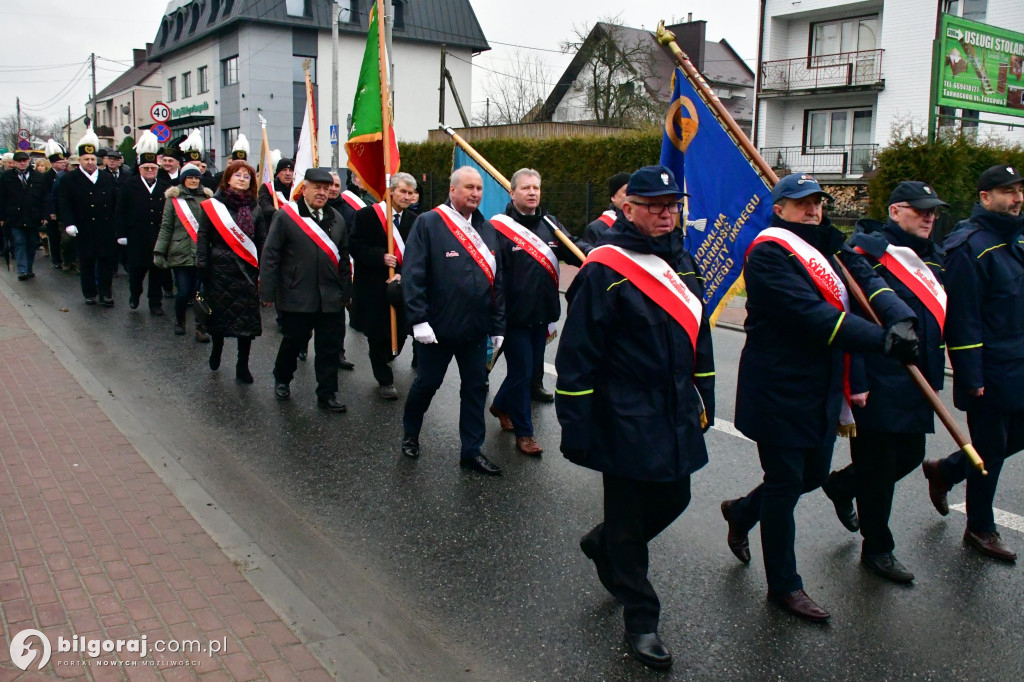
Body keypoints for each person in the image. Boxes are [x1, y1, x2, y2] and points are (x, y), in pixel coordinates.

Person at [720, 172, 917, 622]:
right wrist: (881, 341)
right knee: (787, 483)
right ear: (779, 208)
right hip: (779, 388)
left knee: (811, 476)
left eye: (817, 202)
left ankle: (742, 510)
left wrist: (899, 317)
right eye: (802, 203)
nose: (812, 210)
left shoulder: (829, 247)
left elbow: (868, 280)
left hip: (825, 386)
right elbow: (809, 315)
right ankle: (785, 586)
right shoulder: (769, 253)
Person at [556, 165, 714, 670]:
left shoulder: (683, 261)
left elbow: (700, 335)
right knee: (628, 519)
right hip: (623, 412)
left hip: (674, 407)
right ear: (628, 210)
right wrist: (576, 424)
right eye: (655, 206)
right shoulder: (604, 268)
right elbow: (577, 355)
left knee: (677, 494)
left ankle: (604, 545)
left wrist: (703, 395)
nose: (667, 213)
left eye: (673, 205)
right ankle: (641, 619)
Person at [819, 181, 949, 583]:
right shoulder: (867, 254)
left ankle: (842, 485)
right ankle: (878, 549)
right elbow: (854, 318)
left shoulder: (932, 257)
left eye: (933, 211)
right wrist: (855, 378)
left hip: (916, 376)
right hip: (877, 377)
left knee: (910, 455)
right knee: (879, 467)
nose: (929, 217)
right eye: (920, 210)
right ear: (895, 211)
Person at [922, 164, 1024, 562]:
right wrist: (971, 377)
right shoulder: (970, 246)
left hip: (1018, 361)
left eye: (1019, 189)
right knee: (990, 450)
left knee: (1005, 442)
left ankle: (946, 470)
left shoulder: (1015, 239)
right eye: (1007, 191)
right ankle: (980, 528)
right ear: (985, 197)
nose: (1016, 198)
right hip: (992, 368)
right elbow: (963, 320)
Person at [401, 166, 505, 475]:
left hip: (475, 330)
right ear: (453, 190)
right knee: (427, 384)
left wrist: (498, 325)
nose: (475, 193)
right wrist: (419, 320)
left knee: (476, 388)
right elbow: (413, 275)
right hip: (437, 330)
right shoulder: (429, 224)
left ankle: (471, 451)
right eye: (469, 187)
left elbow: (496, 282)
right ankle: (410, 433)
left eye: (479, 189)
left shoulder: (486, 230)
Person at [489, 168, 588, 455]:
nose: (532, 192)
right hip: (514, 317)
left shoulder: (550, 223)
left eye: (536, 188)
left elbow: (573, 248)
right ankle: (525, 433)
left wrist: (595, 255)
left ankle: (499, 405)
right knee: (521, 373)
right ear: (512, 192)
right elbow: (493, 275)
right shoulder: (499, 229)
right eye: (525, 188)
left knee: (529, 372)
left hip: (542, 314)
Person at [260, 169, 351, 412]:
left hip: (330, 296)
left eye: (327, 188)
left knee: (329, 347)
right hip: (297, 293)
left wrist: (346, 293)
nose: (323, 192)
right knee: (293, 341)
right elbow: (271, 255)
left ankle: (327, 393)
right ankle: (282, 378)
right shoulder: (286, 216)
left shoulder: (337, 219)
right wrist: (267, 292)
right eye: (317, 188)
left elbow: (343, 259)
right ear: (305, 189)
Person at [349, 172, 419, 399]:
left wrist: (402, 274)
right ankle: (384, 380)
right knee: (378, 334)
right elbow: (355, 246)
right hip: (373, 287)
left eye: (410, 193)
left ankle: (387, 357)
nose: (407, 197)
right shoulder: (367, 216)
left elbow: (418, 253)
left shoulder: (414, 220)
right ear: (391, 191)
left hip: (401, 286)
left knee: (399, 334)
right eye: (402, 191)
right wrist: (380, 256)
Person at [196, 159, 266, 383]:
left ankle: (242, 365)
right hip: (219, 269)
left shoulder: (255, 208)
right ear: (228, 178)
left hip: (247, 270)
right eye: (238, 175)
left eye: (247, 176)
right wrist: (201, 263)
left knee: (246, 322)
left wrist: (263, 267)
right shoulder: (213, 205)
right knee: (219, 317)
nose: (242, 179)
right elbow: (203, 236)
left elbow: (261, 240)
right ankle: (217, 349)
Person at [153, 147, 212, 340]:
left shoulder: (208, 199)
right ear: (183, 179)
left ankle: (200, 327)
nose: (194, 180)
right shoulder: (174, 199)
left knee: (201, 293)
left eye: (197, 177)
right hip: (180, 252)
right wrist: (159, 252)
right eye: (190, 177)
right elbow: (166, 227)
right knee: (184, 292)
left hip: (202, 252)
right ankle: (180, 320)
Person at [58, 127, 119, 305]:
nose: (90, 162)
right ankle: (89, 293)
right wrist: (69, 223)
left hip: (105, 227)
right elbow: (64, 203)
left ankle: (106, 293)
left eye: (93, 159)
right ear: (80, 160)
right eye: (86, 159)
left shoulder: (106, 178)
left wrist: (117, 225)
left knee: (106, 263)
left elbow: (116, 202)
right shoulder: (70, 179)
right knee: (87, 263)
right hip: (83, 227)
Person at [116, 139, 173, 315]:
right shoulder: (129, 185)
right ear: (140, 169)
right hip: (136, 236)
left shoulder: (165, 187)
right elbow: (120, 211)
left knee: (157, 271)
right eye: (146, 168)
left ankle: (155, 303)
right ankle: (135, 294)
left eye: (153, 168)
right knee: (137, 271)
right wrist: (121, 233)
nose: (150, 171)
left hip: (158, 237)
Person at [0, 151, 46, 280]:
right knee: (19, 242)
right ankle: (22, 270)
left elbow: (44, 198)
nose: (22, 163)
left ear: (28, 161)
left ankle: (28, 267)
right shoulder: (7, 177)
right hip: (15, 216)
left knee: (31, 244)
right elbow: (2, 198)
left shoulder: (37, 177)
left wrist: (44, 215)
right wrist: (2, 217)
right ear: (14, 163)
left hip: (33, 216)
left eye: (24, 160)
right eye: (19, 161)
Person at [41, 139, 69, 270]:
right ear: (53, 163)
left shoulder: (66, 175)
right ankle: (56, 259)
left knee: (64, 236)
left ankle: (65, 258)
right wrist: (49, 212)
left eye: (64, 161)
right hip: (52, 211)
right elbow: (47, 196)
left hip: (63, 209)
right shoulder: (47, 177)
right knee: (54, 236)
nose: (63, 163)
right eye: (60, 162)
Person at [582, 171, 630, 245]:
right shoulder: (597, 228)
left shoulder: (644, 223)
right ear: (613, 197)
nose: (632, 195)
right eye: (626, 191)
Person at [258, 155, 293, 221]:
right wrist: (280, 214)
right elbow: (264, 206)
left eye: (291, 170)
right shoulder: (267, 187)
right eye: (284, 170)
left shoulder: (297, 190)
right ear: (278, 173)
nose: (288, 173)